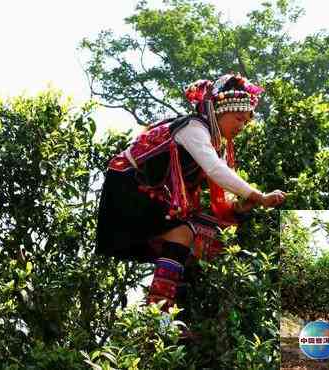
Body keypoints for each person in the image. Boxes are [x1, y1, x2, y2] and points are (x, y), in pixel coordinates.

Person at [95, 73, 286, 323]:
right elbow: (216, 171)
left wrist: (239, 205)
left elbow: (214, 188)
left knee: (201, 233)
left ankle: (171, 312)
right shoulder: (193, 128)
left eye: (246, 122)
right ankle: (159, 315)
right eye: (238, 118)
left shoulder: (213, 141)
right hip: (128, 185)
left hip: (152, 192)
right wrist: (258, 196)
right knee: (187, 232)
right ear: (219, 111)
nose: (241, 127)